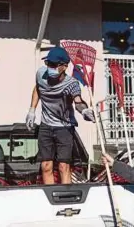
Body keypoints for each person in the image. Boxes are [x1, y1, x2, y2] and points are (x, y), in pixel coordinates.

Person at [25, 46, 95, 185]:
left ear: (64, 66)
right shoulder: (41, 74)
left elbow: (78, 101)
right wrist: (32, 110)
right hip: (46, 125)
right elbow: (38, 88)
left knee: (63, 166)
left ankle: (66, 197)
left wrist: (85, 111)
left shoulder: (71, 84)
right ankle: (50, 197)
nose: (49, 67)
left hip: (64, 127)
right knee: (46, 166)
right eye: (48, 63)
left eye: (53, 65)